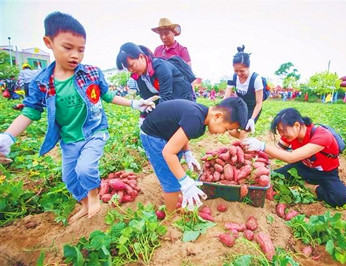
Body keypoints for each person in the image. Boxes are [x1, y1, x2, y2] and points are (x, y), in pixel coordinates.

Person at [0, 12, 155, 223]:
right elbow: (30, 111)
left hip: (94, 132)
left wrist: (134, 103)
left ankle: (93, 197)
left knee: (85, 169)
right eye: (68, 47)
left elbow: (108, 96)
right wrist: (8, 137)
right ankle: (84, 203)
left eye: (81, 50)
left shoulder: (91, 73)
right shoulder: (41, 82)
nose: (75, 55)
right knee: (70, 178)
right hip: (69, 138)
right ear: (49, 42)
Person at [140, 97, 248, 212]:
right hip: (153, 136)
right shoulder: (195, 119)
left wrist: (187, 153)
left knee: (175, 167)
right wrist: (185, 182)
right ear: (217, 116)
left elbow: (182, 130)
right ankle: (170, 215)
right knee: (172, 181)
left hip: (166, 133)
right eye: (225, 129)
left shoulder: (202, 116)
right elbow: (168, 152)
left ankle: (175, 193)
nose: (223, 133)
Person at [243, 108, 346, 207]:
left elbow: (291, 157)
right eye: (279, 132)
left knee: (340, 198)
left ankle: (309, 186)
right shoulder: (290, 136)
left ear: (297, 125)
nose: (282, 135)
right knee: (273, 176)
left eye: (283, 130)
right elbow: (274, 152)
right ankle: (302, 180)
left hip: (326, 173)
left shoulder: (322, 135)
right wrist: (252, 153)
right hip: (302, 166)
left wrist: (263, 146)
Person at [116, 42, 195, 125]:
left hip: (183, 99)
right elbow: (147, 99)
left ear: (141, 57)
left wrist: (154, 120)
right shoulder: (139, 76)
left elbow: (166, 97)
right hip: (169, 101)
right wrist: (143, 118)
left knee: (174, 126)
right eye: (127, 68)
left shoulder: (161, 67)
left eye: (132, 65)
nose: (130, 70)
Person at [224, 45, 264, 139]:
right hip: (241, 107)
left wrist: (252, 119)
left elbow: (259, 103)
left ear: (248, 68)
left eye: (242, 71)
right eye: (236, 70)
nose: (238, 74)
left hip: (253, 109)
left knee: (243, 132)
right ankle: (250, 143)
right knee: (231, 131)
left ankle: (244, 148)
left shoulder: (256, 79)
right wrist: (219, 109)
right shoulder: (232, 77)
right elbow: (226, 97)